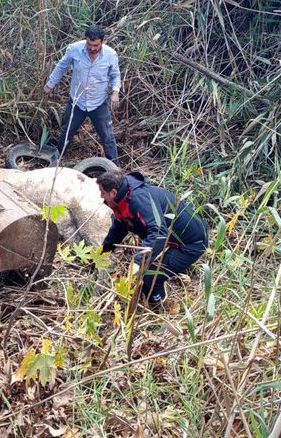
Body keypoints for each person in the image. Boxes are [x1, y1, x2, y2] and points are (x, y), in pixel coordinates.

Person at [97, 169, 208, 306]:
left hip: (191, 243)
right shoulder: (123, 197)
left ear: (113, 193)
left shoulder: (138, 200)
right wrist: (103, 252)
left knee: (149, 278)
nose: (101, 197)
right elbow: (119, 228)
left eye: (102, 192)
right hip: (174, 237)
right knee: (145, 272)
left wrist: (137, 262)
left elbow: (158, 233)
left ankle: (158, 307)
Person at [43, 25, 121, 165]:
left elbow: (115, 75)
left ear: (103, 41)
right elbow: (62, 66)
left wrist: (115, 92)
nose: (92, 48)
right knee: (67, 132)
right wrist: (50, 84)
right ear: (85, 40)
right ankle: (56, 161)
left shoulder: (111, 55)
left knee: (107, 136)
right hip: (76, 102)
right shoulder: (74, 49)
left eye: (96, 45)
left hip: (98, 103)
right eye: (89, 44)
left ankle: (115, 169)